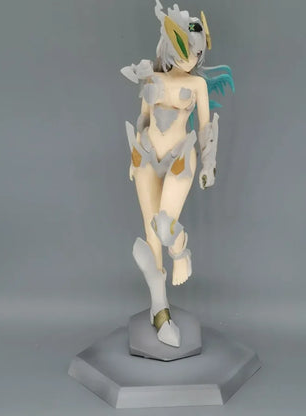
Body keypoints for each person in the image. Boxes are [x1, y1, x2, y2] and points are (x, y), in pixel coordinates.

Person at [121, 0, 234, 347]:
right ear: (170, 45)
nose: (193, 58)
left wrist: (209, 163)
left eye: (198, 53)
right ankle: (160, 310)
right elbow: (143, 118)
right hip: (145, 156)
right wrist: (132, 156)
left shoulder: (197, 85)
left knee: (166, 225)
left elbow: (205, 128)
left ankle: (181, 253)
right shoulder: (152, 77)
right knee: (150, 231)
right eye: (188, 50)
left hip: (180, 157)